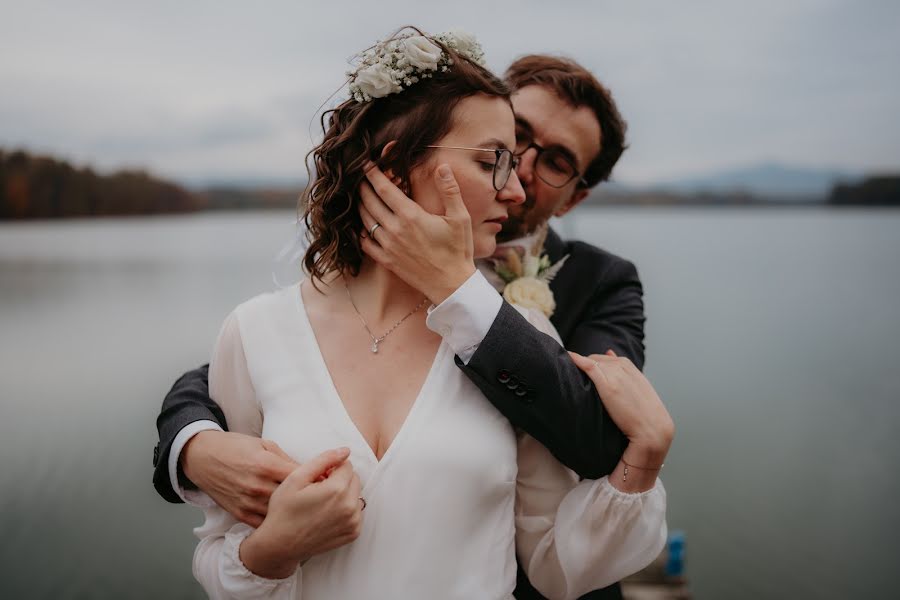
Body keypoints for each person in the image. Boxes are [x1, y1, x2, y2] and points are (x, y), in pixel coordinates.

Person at [153, 42, 666, 600]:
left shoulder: (599, 285)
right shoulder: (268, 321)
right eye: (506, 145)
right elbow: (257, 359)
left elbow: (597, 435)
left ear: (575, 196)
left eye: (557, 161)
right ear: (402, 162)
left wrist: (457, 290)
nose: (519, 170)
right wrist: (192, 444)